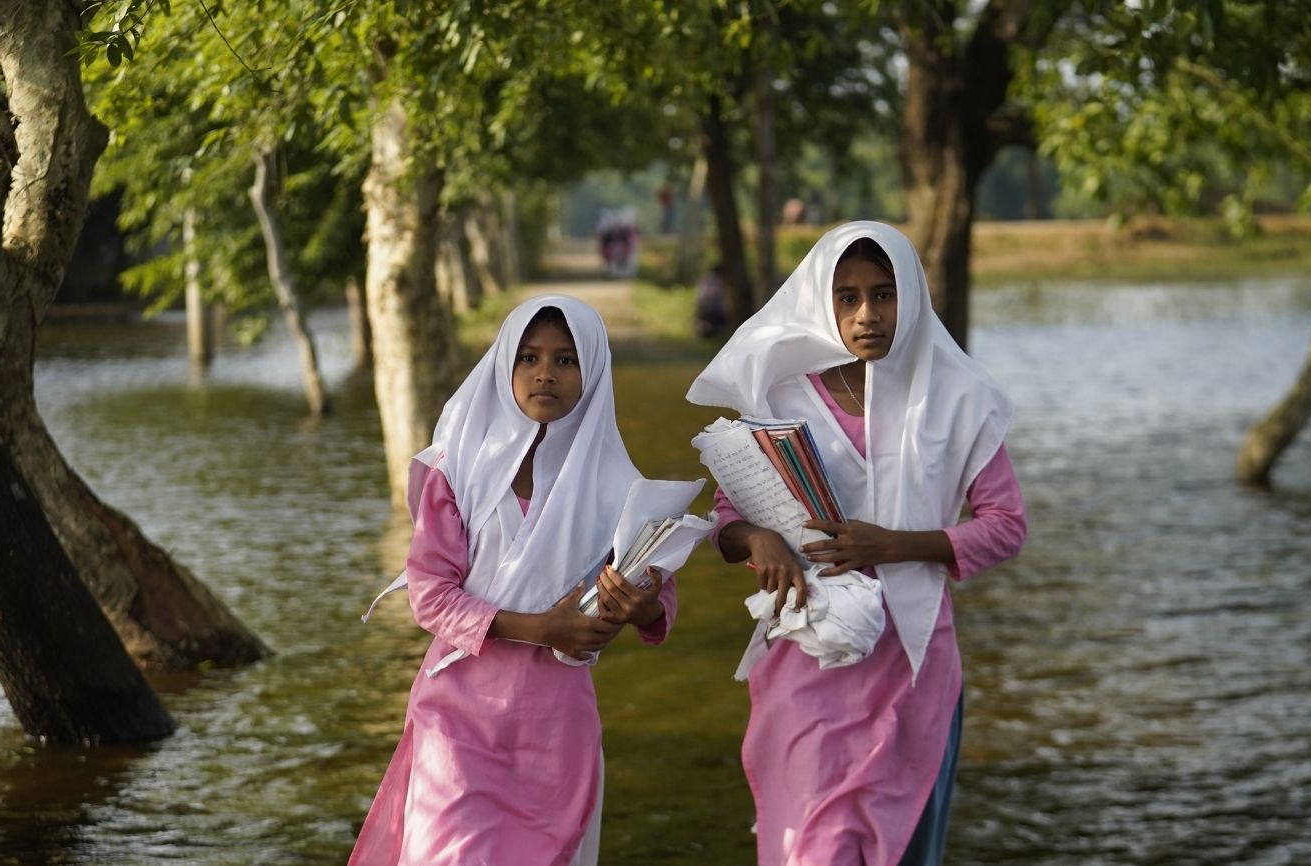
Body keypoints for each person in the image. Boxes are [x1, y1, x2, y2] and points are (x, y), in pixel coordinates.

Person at [684, 221, 1027, 866]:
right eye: (848, 297)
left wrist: (894, 546)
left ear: (913, 299)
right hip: (809, 654)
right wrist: (759, 540)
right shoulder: (782, 397)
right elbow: (728, 519)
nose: (868, 313)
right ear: (823, 302)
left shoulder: (956, 401)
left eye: (884, 294)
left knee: (898, 842)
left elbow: (1006, 524)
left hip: (914, 659)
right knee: (811, 844)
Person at [351, 295, 679, 866]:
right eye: (528, 357)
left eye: (566, 360)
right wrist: (541, 628)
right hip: (457, 712)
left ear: (594, 372)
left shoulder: (621, 489)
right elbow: (430, 596)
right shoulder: (453, 471)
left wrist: (639, 604)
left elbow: (659, 600)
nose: (545, 373)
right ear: (504, 365)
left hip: (555, 724)